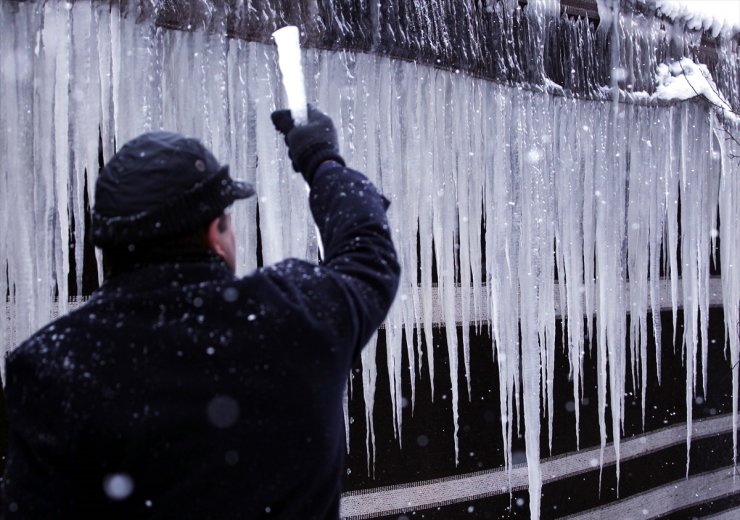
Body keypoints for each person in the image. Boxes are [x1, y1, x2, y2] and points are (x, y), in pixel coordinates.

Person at [2, 106, 400, 519]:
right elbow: (368, 252)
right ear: (216, 233)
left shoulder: (53, 365)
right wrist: (322, 160)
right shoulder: (295, 315)